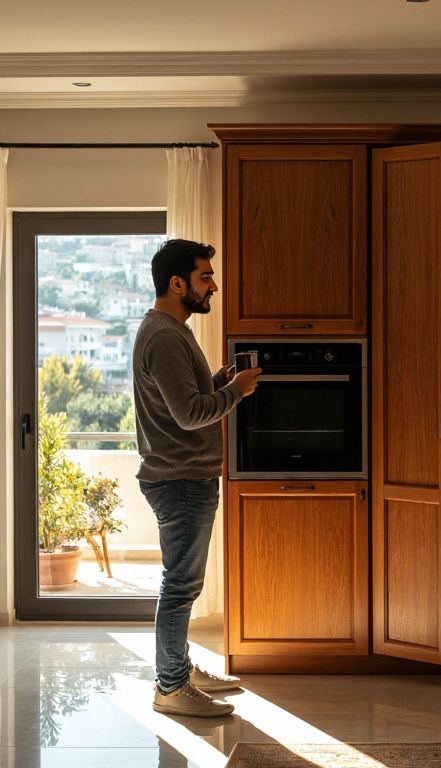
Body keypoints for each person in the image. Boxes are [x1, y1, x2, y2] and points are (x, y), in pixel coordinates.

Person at [133, 239, 261, 718]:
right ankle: (171, 687)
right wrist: (235, 391)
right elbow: (188, 415)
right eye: (206, 276)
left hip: (183, 476)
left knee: (181, 582)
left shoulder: (170, 329)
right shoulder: (165, 335)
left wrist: (218, 380)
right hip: (181, 479)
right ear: (177, 283)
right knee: (181, 585)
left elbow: (184, 396)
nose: (214, 286)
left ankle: (180, 672)